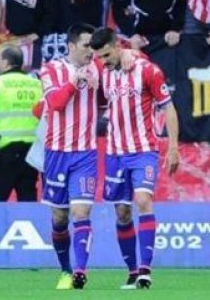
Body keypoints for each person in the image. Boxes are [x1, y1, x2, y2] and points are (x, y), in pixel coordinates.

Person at [90, 28, 179, 290]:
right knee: (122, 211)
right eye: (100, 57)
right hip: (115, 152)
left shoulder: (148, 70)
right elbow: (80, 59)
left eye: (107, 54)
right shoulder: (102, 68)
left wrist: (173, 147)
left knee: (142, 200)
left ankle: (145, 271)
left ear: (116, 46)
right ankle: (131, 271)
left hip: (143, 150)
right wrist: (126, 51)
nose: (103, 60)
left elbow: (169, 108)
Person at [38, 24, 99, 290]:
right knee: (60, 218)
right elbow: (55, 104)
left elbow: (123, 61)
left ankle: (79, 272)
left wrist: (132, 55)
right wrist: (75, 81)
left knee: (81, 211)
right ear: (72, 46)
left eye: (93, 46)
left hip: (85, 153)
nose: (91, 51)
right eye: (86, 45)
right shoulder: (51, 69)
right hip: (56, 153)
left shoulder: (100, 67)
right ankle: (64, 270)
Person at [0, 46, 42, 202]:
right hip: (32, 152)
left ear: (5, 62)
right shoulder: (37, 84)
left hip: (4, 153)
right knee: (28, 200)